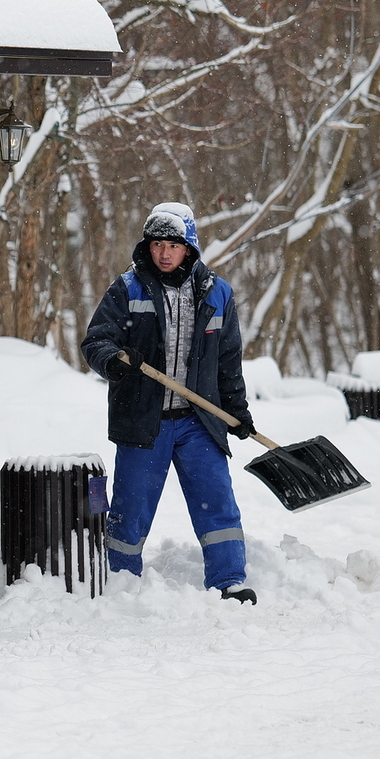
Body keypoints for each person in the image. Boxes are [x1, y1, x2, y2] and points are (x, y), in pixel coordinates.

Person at [81, 202, 259, 604]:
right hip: (145, 420)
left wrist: (237, 410)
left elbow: (228, 360)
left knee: (218, 503)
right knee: (132, 507)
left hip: (199, 420)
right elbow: (96, 342)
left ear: (190, 249)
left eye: (173, 246)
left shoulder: (217, 293)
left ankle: (229, 580)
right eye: (157, 244)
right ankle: (120, 584)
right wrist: (114, 361)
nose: (164, 253)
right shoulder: (127, 288)